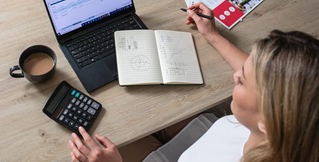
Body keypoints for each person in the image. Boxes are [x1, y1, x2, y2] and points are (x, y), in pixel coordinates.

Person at [68, 2, 319, 162]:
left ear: (268, 121)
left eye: (241, 81)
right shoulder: (296, 120)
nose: (236, 75)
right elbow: (267, 75)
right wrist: (212, 34)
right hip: (204, 134)